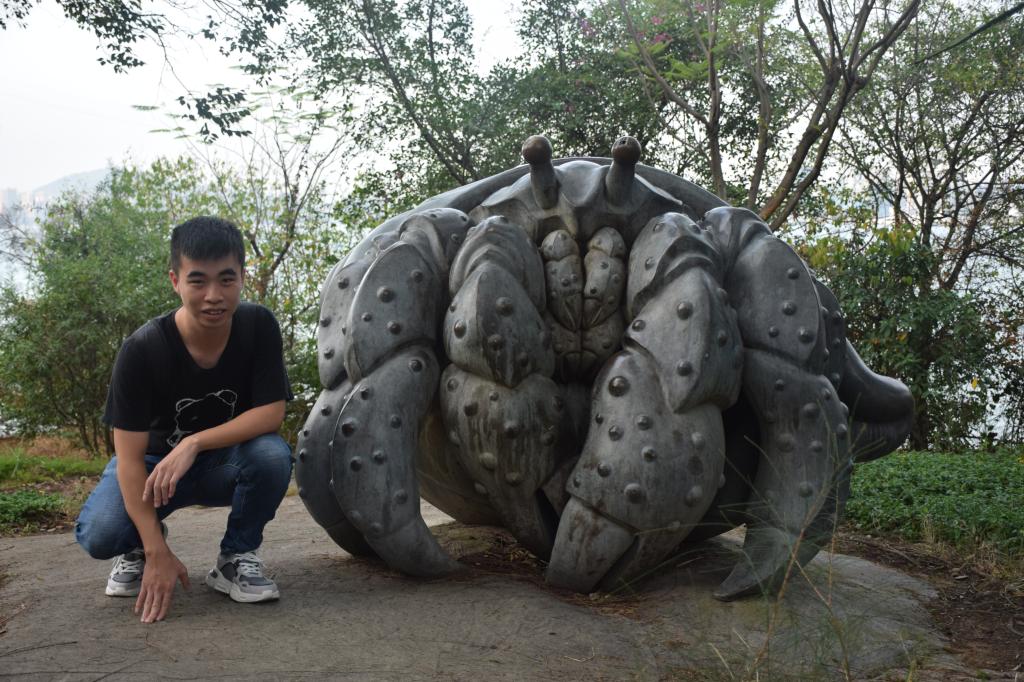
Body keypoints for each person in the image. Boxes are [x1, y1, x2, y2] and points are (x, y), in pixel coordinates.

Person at [75, 216, 294, 623]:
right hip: (154, 471)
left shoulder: (258, 326)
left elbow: (271, 412)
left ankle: (235, 557)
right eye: (198, 281)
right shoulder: (142, 350)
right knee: (101, 533)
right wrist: (156, 548)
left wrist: (193, 443)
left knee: (272, 455)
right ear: (175, 280)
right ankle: (139, 546)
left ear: (242, 277)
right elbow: (128, 459)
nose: (214, 296)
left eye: (226, 280)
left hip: (224, 464)